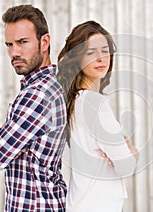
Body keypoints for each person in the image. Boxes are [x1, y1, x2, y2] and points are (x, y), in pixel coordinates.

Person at [0, 5, 67, 211]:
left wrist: (1, 130)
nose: (14, 52)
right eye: (9, 44)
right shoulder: (44, 85)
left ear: (44, 42)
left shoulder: (39, 94)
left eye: (22, 42)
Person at [57, 20, 139, 212]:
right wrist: (132, 151)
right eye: (91, 52)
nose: (101, 58)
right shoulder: (95, 104)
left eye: (104, 50)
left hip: (81, 203)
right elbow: (126, 166)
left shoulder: (75, 100)